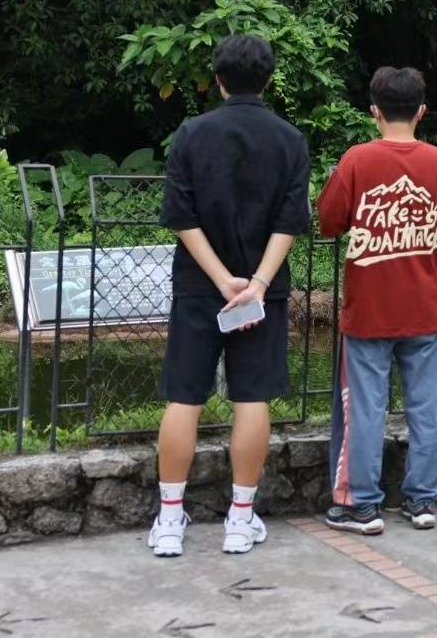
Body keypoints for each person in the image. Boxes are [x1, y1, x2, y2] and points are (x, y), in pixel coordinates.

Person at [150, 34, 311, 557]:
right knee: (252, 398)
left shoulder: (192, 134)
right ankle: (240, 521)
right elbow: (290, 221)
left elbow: (181, 216)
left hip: (201, 287)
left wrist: (222, 281)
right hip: (262, 293)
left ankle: (170, 522)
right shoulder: (290, 140)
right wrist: (257, 283)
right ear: (267, 79)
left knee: (184, 397)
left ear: (218, 79)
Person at [317, 66, 437, 534]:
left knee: (363, 406)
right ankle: (422, 500)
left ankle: (361, 505)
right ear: (421, 111)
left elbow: (328, 222)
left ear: (374, 112)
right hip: (426, 310)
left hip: (367, 312)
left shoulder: (356, 161)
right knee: (428, 406)